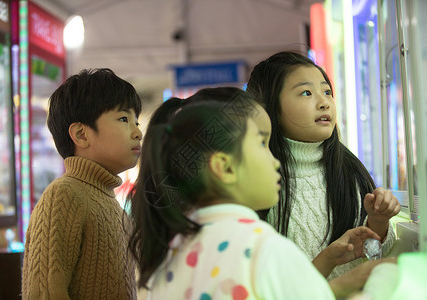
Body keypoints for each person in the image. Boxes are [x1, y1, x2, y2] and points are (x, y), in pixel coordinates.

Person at [128, 92, 382, 299]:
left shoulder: (171, 253)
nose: (275, 161)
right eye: (262, 144)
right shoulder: (264, 248)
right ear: (225, 167)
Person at [246, 50, 401, 279]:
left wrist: (378, 223)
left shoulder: (350, 171)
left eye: (327, 92)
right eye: (306, 93)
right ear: (270, 109)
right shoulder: (261, 184)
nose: (324, 102)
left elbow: (373, 257)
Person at [22, 68, 142, 299]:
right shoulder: (64, 195)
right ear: (81, 134)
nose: (138, 132)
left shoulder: (109, 202)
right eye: (124, 119)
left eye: (136, 121)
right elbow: (44, 293)